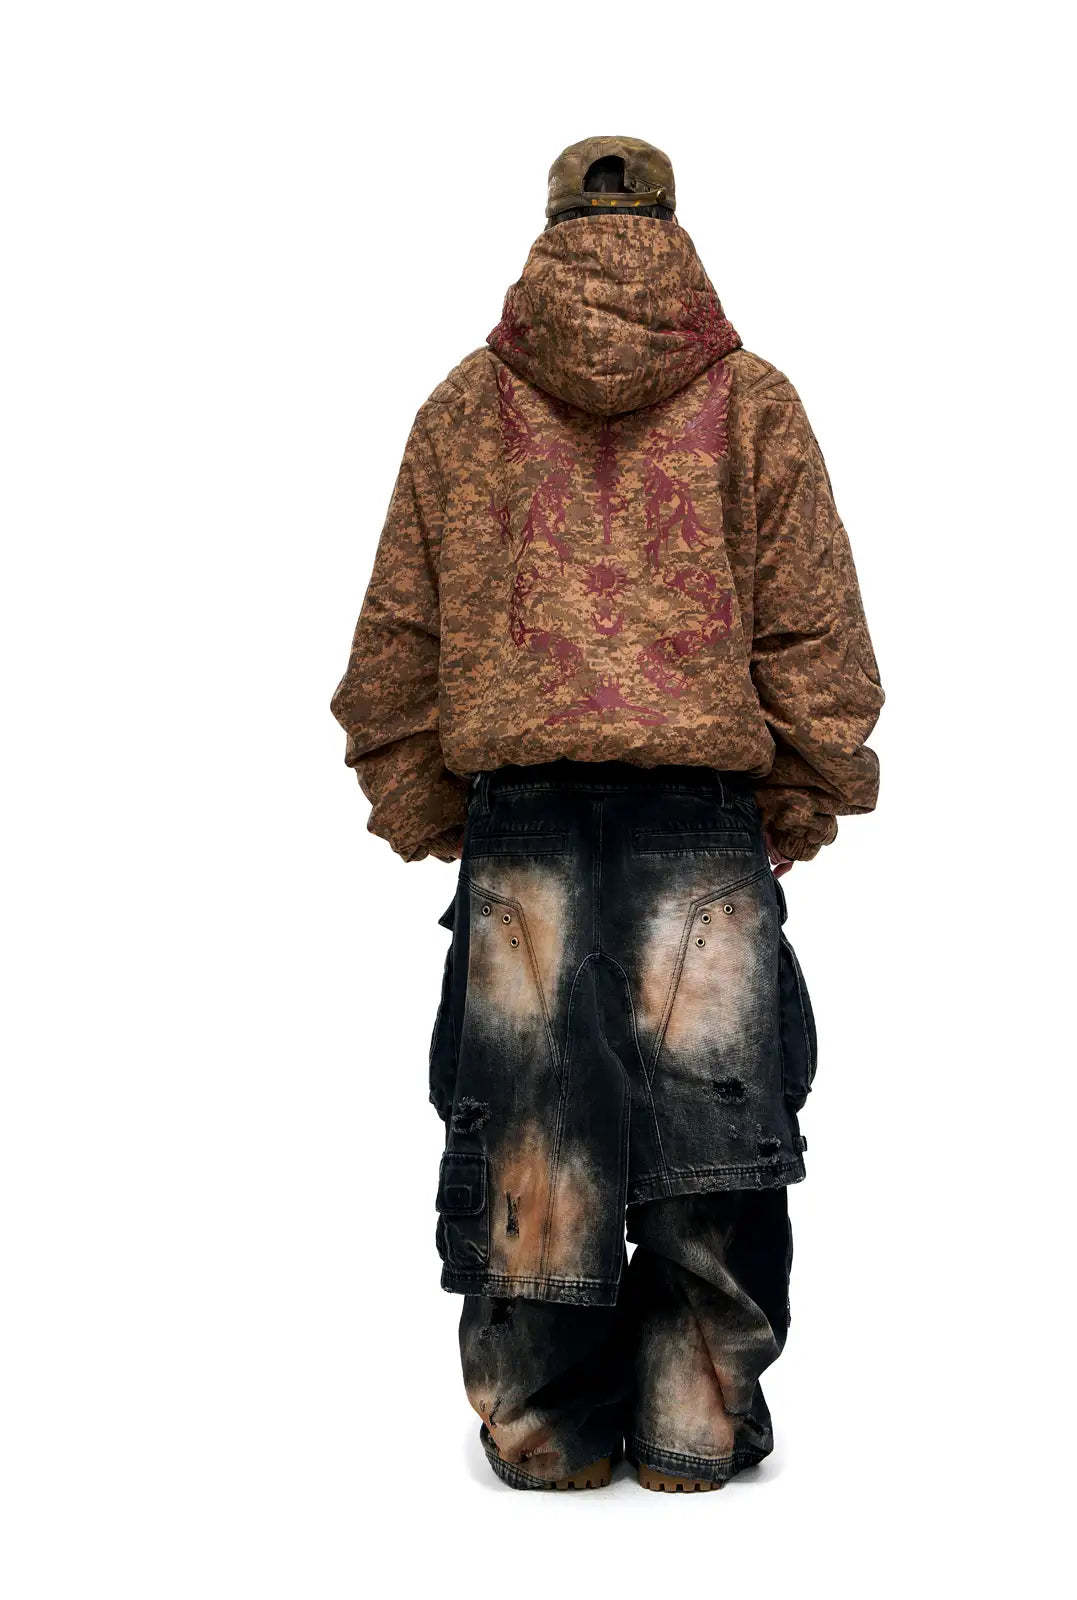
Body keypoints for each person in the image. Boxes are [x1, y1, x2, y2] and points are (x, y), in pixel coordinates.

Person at [331, 136, 884, 1492]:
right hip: (705, 824)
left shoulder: (463, 410)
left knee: (529, 1128)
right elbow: (816, 633)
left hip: (522, 825)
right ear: (675, 230)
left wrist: (436, 810)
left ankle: (542, 1427)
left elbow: (394, 646)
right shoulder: (755, 406)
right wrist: (798, 801)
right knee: (716, 1132)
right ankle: (698, 1426)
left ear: (547, 232)